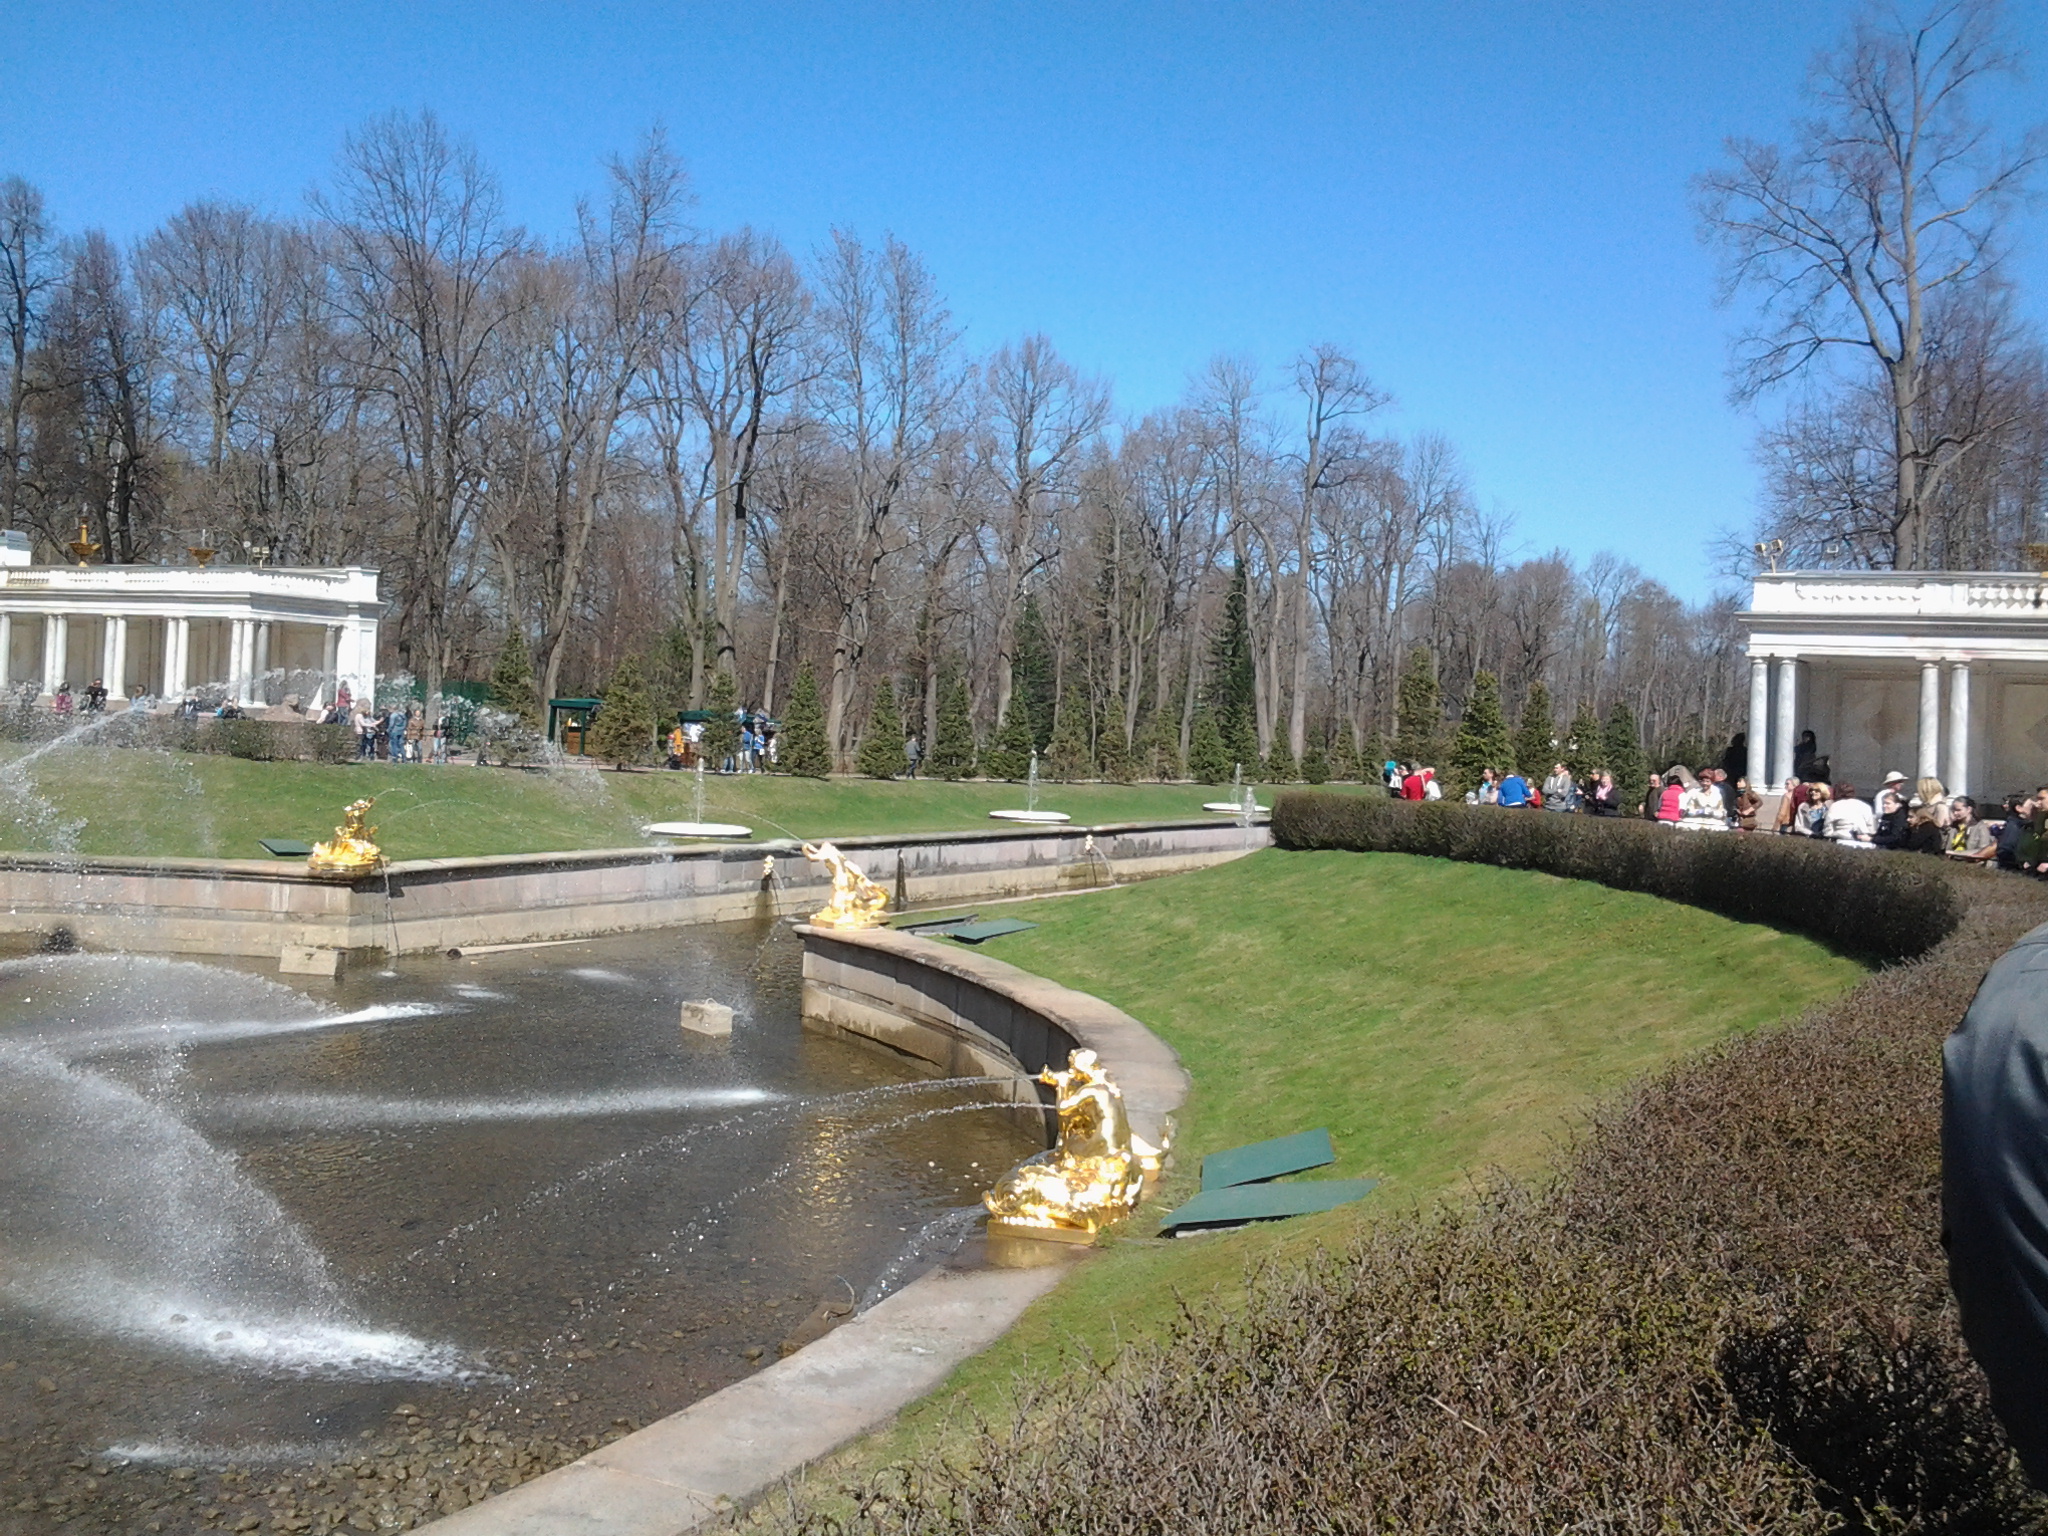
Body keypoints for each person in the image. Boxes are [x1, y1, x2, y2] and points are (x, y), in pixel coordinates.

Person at [1823, 782, 1877, 848]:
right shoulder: (1865, 806)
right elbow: (1871, 827)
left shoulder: (1835, 806)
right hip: (1863, 842)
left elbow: (1828, 826)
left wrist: (1830, 836)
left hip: (1841, 841)